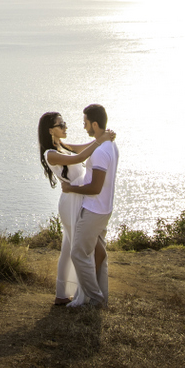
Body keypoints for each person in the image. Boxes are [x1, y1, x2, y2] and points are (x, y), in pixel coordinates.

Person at [38, 112, 116, 307]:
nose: (65, 127)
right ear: (50, 130)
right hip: (71, 201)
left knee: (68, 249)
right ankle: (87, 293)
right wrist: (101, 140)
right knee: (80, 249)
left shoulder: (62, 147)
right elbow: (81, 157)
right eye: (61, 125)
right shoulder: (51, 154)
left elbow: (83, 149)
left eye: (64, 123)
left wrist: (101, 138)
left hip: (78, 198)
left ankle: (62, 294)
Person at [60, 103, 117, 309]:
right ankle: (98, 295)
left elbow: (95, 187)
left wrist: (70, 188)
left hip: (94, 211)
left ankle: (95, 298)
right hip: (104, 210)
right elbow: (80, 150)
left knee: (78, 253)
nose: (84, 126)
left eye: (85, 123)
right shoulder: (107, 144)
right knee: (99, 253)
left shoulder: (101, 152)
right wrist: (60, 144)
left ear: (94, 123)